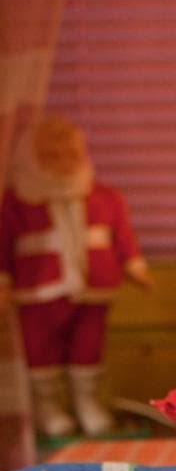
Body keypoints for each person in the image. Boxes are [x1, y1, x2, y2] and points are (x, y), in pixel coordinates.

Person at [0, 114, 151, 437]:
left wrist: (135, 265)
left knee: (88, 347)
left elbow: (122, 236)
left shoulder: (104, 197)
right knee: (41, 349)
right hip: (39, 291)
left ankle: (88, 402)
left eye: (71, 154)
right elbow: (4, 244)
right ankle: (49, 407)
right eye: (51, 156)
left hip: (94, 287)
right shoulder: (17, 201)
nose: (63, 162)